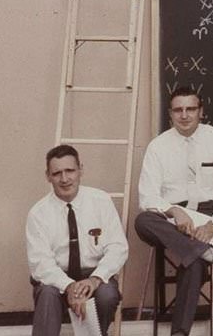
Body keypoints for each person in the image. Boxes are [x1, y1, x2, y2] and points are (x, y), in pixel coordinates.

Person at [135, 87, 213, 336]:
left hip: (208, 217)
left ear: (201, 112)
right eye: (178, 110)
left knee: (193, 261)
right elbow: (147, 196)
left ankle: (179, 332)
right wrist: (173, 210)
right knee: (143, 221)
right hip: (172, 221)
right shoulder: (158, 146)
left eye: (190, 109)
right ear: (170, 114)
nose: (184, 115)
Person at [25, 144, 128, 336]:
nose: (64, 179)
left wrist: (95, 280)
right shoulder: (38, 213)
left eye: (70, 171)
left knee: (107, 295)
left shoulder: (101, 201)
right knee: (47, 294)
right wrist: (69, 286)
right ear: (48, 176)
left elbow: (117, 247)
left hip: (93, 274)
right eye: (57, 173)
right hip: (56, 279)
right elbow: (41, 264)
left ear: (81, 170)